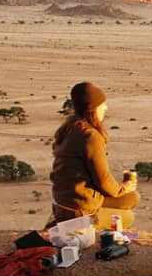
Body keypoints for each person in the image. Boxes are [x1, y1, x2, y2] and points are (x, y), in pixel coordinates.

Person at [46, 82, 140, 226]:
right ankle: (80, 224)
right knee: (128, 215)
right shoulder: (90, 136)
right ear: (93, 108)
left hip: (63, 202)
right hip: (80, 207)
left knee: (132, 197)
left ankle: (68, 220)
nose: (106, 108)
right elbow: (102, 180)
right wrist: (124, 187)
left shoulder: (69, 128)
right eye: (102, 104)